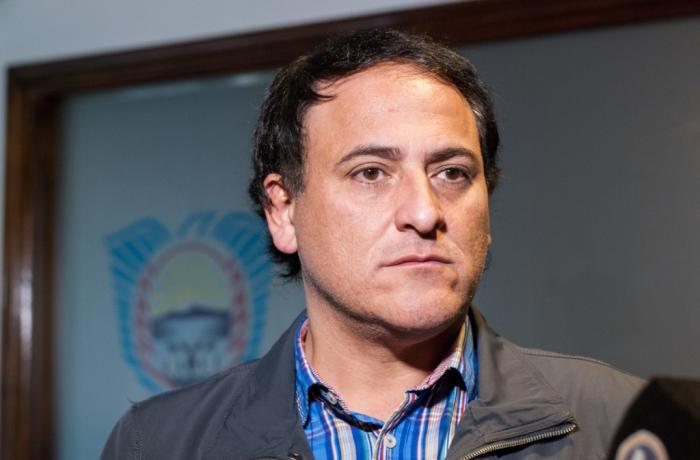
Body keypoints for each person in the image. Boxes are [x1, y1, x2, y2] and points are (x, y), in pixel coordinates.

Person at [101, 29, 643, 460]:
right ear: (283, 211)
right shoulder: (158, 444)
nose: (425, 213)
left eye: (452, 172)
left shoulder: (627, 425)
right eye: (370, 173)